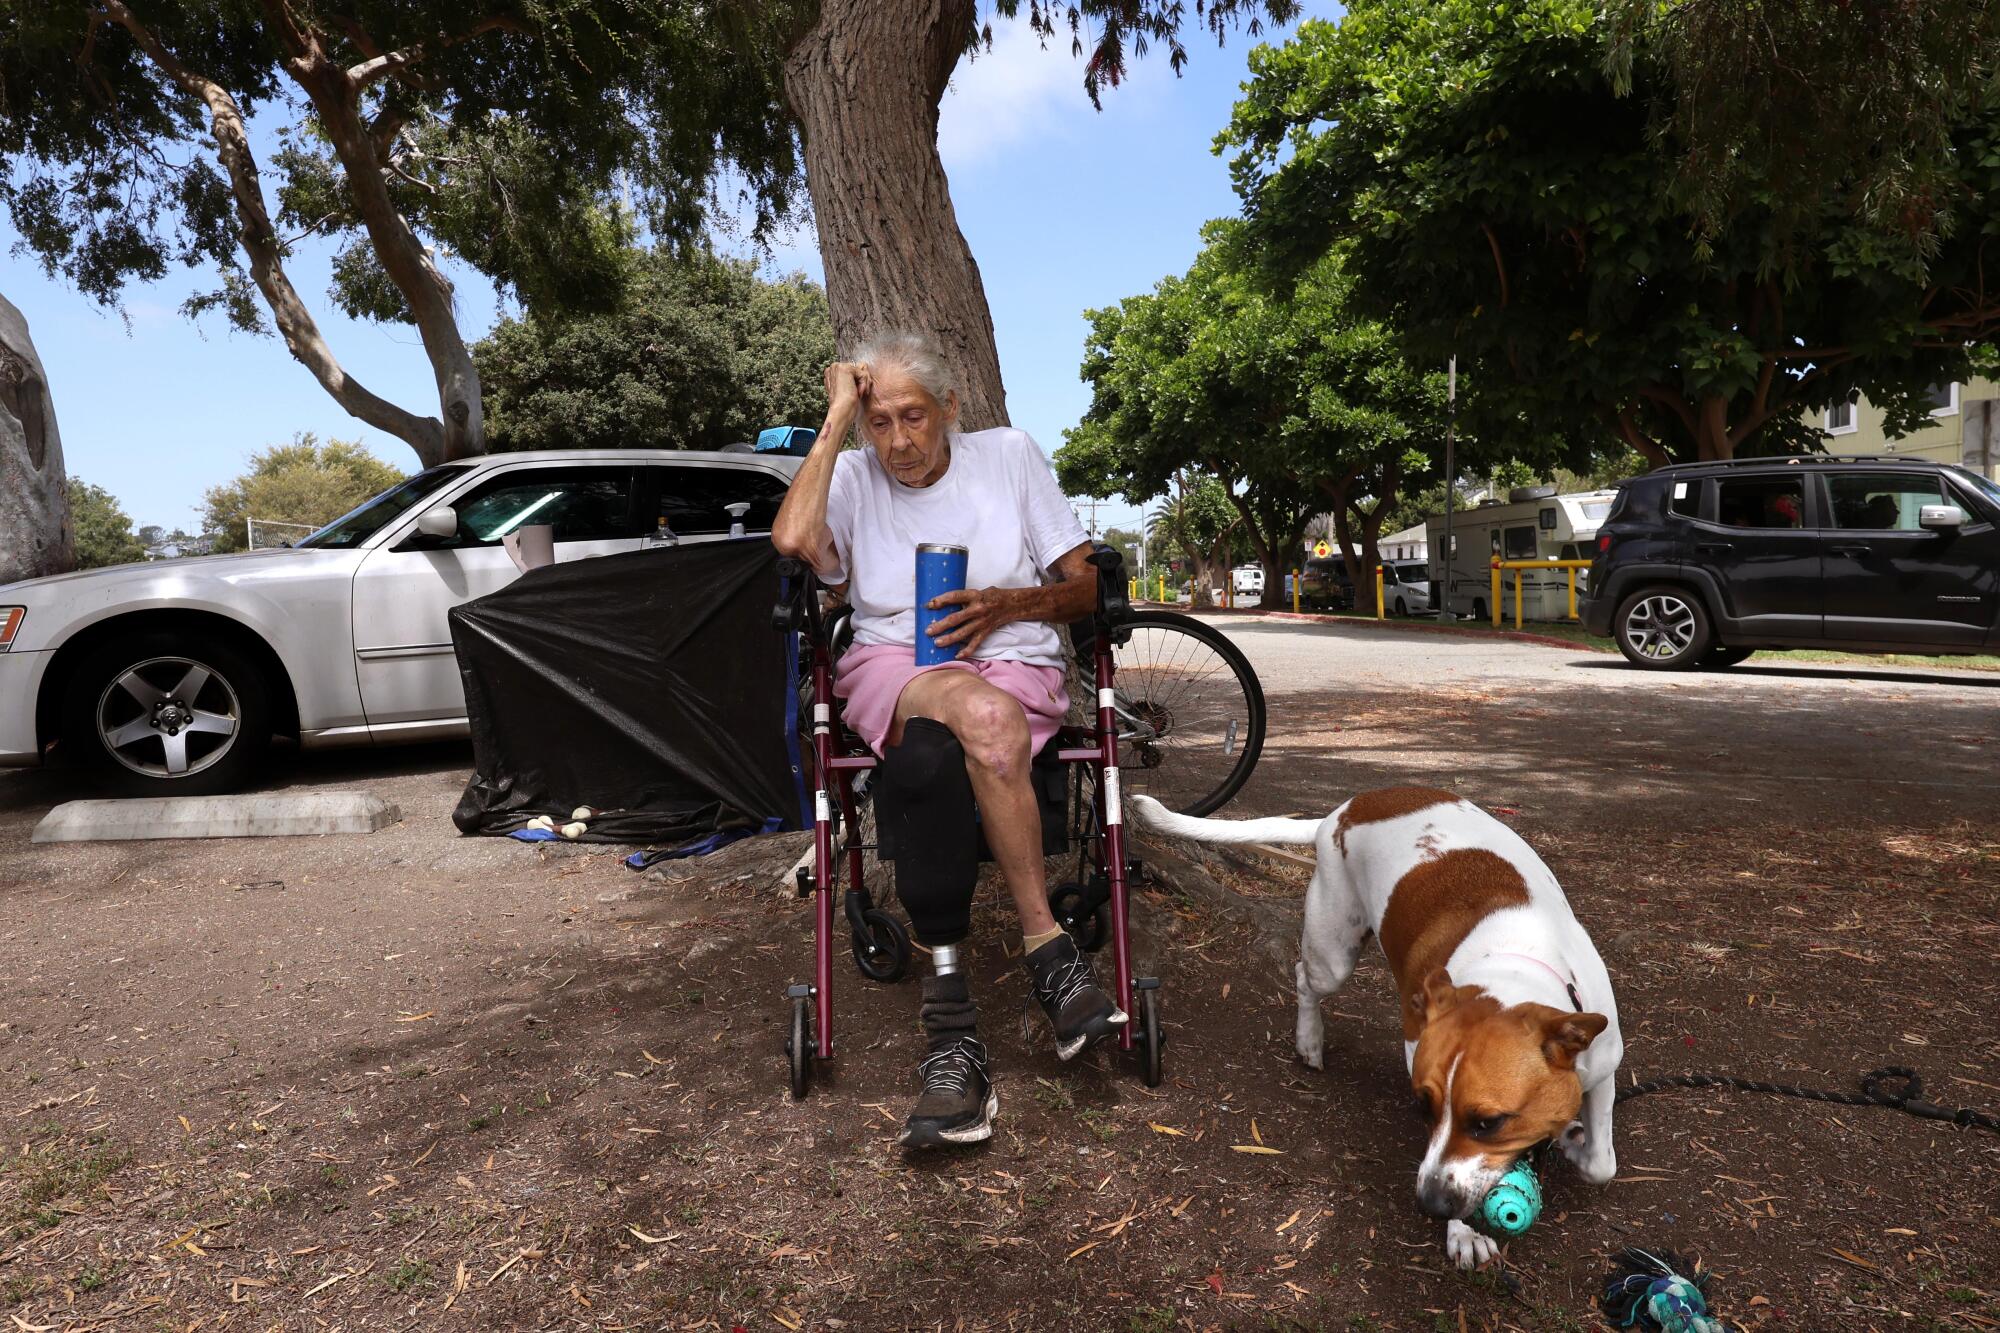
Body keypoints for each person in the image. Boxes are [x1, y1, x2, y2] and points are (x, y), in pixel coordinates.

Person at [770, 331, 1127, 1149]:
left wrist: (1005, 605)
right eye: (879, 421)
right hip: (895, 666)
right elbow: (792, 543)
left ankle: (954, 1038)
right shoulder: (853, 477)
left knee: (932, 759)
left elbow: (1083, 588)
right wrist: (832, 420)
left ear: (951, 409)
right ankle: (1050, 953)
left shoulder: (1008, 456)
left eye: (915, 417)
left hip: (1011, 658)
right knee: (982, 722)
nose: (898, 441)